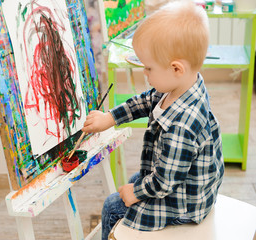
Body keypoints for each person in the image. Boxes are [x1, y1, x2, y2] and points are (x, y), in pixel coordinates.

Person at [82, 1, 224, 239]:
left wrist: (135, 193)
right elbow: (145, 101)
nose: (144, 74)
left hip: (186, 204)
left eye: (148, 68)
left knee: (112, 206)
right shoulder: (182, 84)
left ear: (176, 68)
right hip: (183, 181)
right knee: (131, 182)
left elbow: (165, 182)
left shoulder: (182, 125)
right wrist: (109, 118)